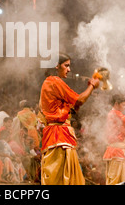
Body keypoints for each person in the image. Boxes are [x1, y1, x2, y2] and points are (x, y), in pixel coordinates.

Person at [38, 53, 100, 185]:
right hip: (59, 135)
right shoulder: (54, 81)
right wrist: (92, 85)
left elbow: (69, 108)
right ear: (56, 65)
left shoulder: (47, 83)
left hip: (55, 135)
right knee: (63, 180)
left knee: (59, 178)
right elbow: (80, 100)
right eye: (66, 66)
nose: (69, 69)